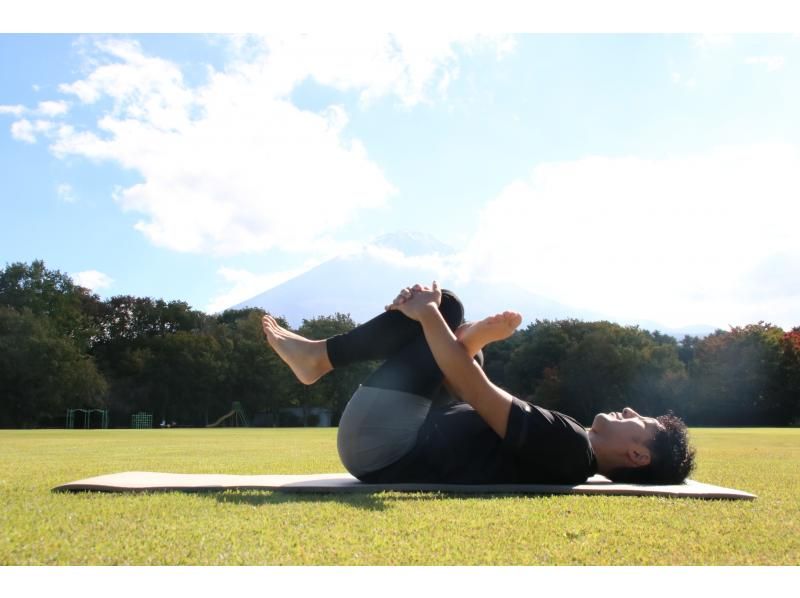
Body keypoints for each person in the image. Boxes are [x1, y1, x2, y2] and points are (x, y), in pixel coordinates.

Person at [261, 282, 695, 485]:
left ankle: (319, 358)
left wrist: (428, 313)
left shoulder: (567, 443)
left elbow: (473, 390)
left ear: (637, 455)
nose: (632, 411)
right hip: (397, 436)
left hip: (384, 447)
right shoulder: (572, 449)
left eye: (644, 423)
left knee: (447, 308)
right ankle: (467, 341)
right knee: (464, 345)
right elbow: (465, 384)